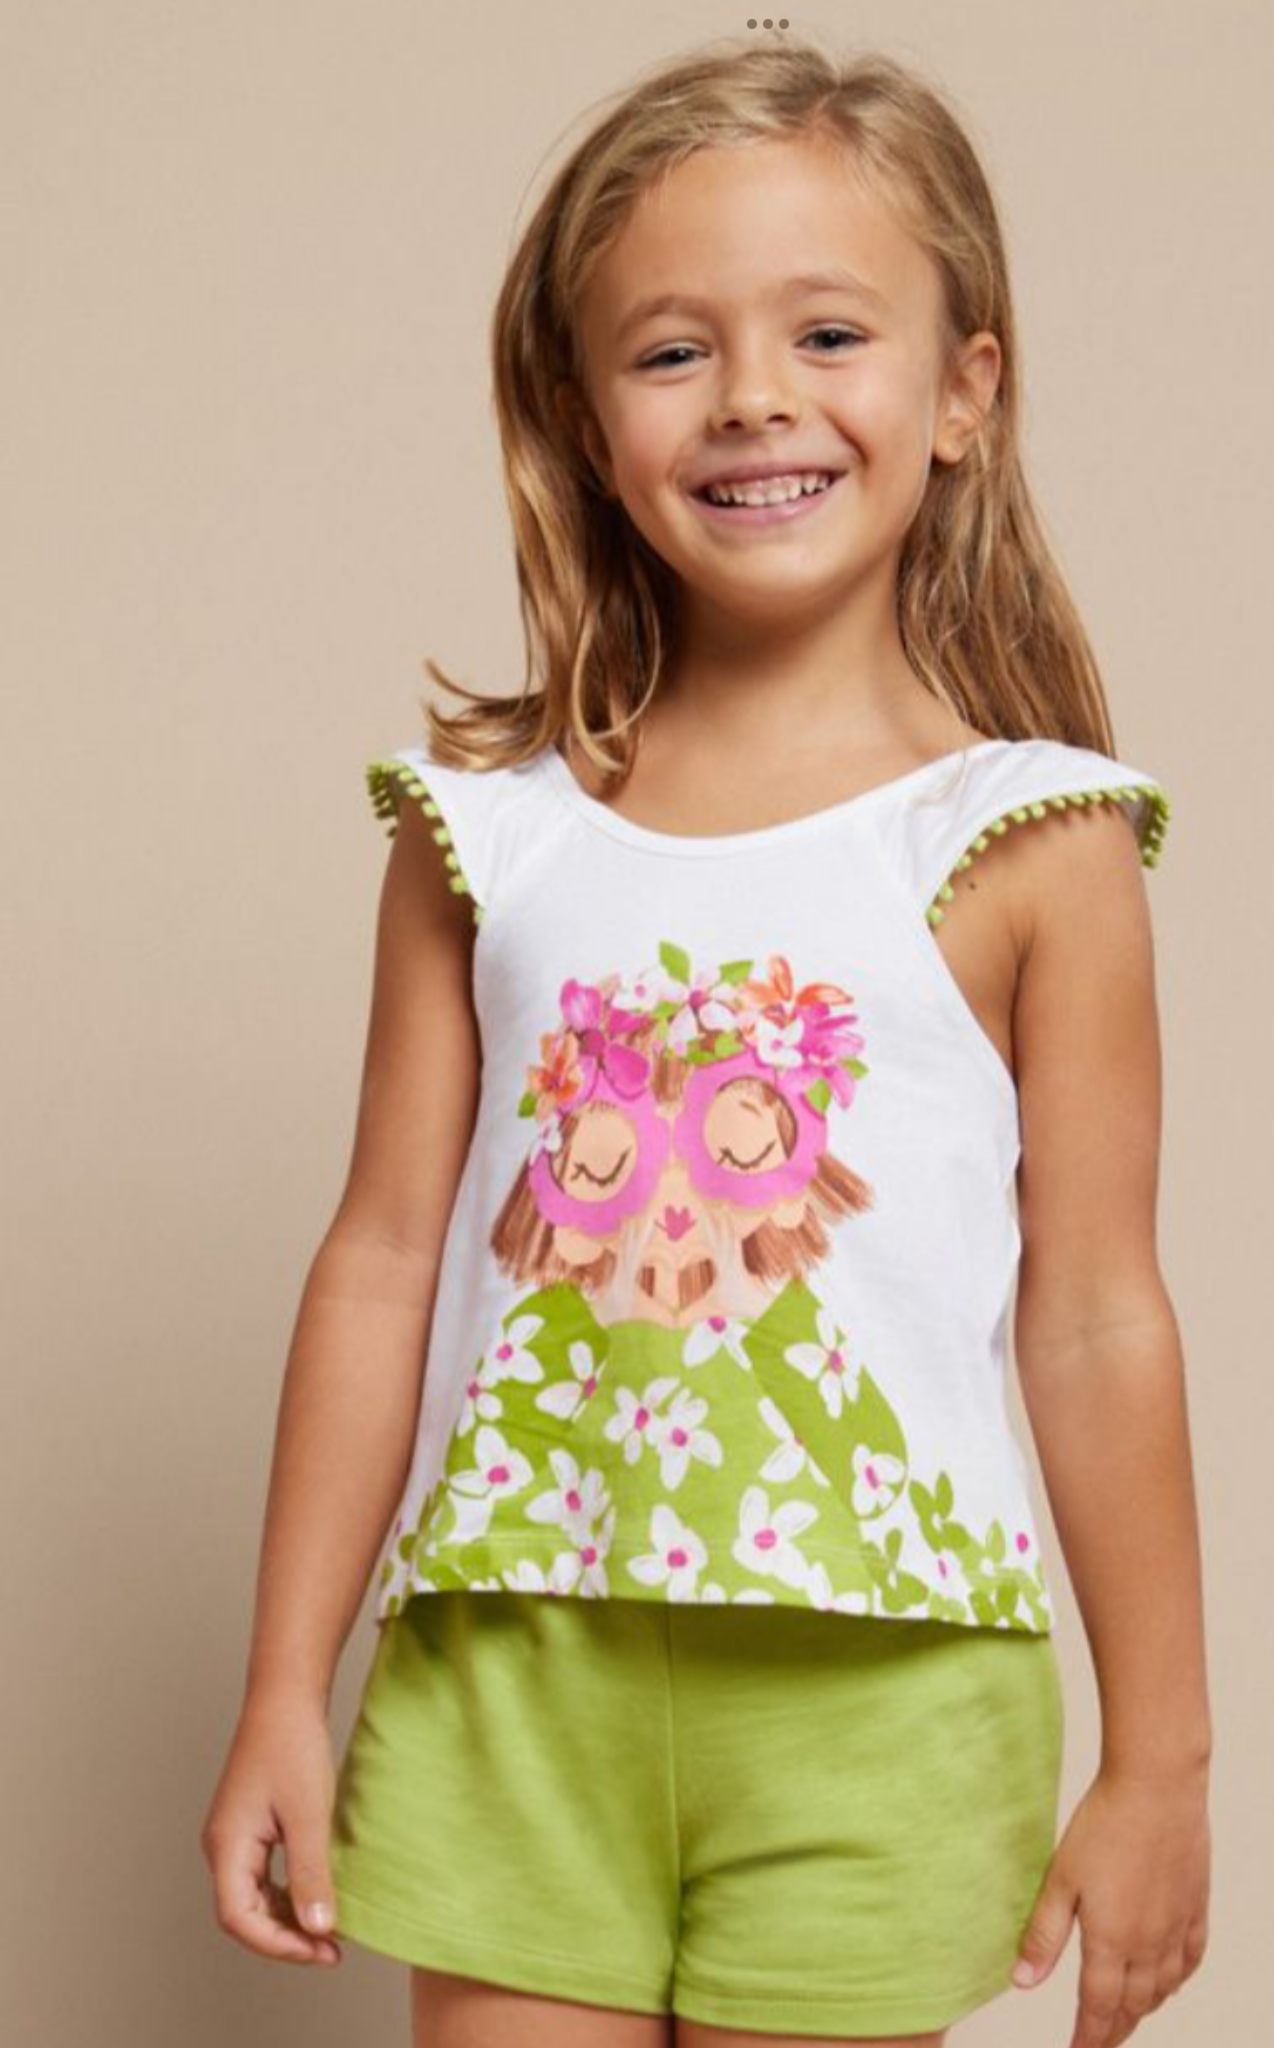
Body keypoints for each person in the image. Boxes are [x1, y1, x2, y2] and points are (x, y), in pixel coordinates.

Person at [200, 35, 1213, 2048]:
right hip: (513, 1682)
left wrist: (1163, 1755)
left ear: (964, 393)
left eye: (827, 332)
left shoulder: (1034, 841)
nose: (754, 395)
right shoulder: (483, 835)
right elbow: (382, 1259)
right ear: (588, 427)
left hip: (886, 1694)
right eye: (674, 351)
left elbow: (1100, 1310)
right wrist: (279, 1690)